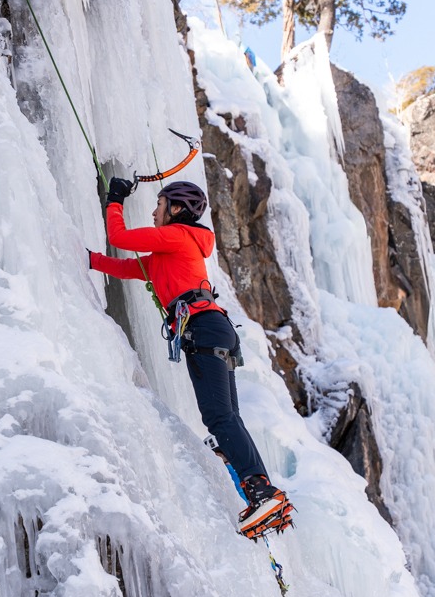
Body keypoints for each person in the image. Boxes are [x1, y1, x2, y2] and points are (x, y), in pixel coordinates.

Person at [88, 178, 293, 539]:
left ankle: (261, 491)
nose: (154, 211)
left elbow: (120, 238)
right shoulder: (173, 252)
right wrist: (86, 259)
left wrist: (115, 199)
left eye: (160, 204)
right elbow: (127, 268)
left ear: (177, 210)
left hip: (203, 328)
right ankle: (261, 492)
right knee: (227, 418)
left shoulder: (176, 236)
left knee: (218, 417)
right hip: (214, 327)